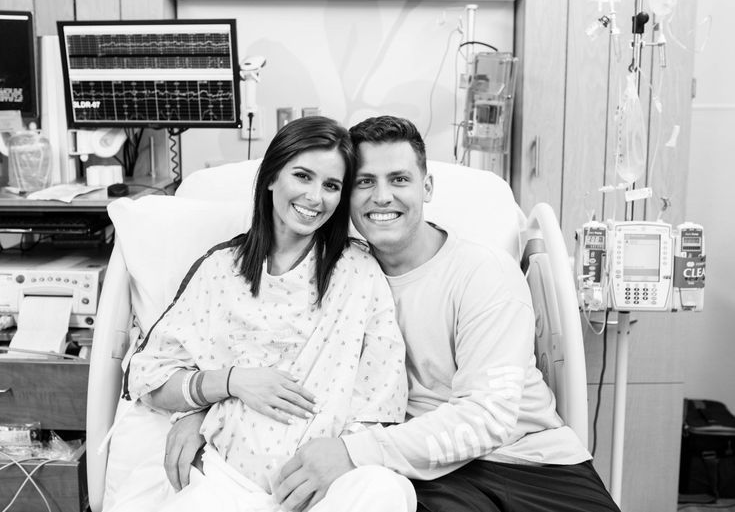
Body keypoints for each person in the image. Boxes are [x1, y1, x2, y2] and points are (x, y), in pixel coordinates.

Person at [166, 115, 621, 512]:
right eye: (365, 182)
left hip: (529, 460)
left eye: (399, 179)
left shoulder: (482, 273)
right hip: (427, 475)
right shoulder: (334, 275)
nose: (381, 196)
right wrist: (200, 402)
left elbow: (487, 417)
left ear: (426, 186)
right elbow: (266, 355)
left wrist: (353, 452)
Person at [113, 116, 413, 512]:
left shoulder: (356, 272)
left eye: (331, 186)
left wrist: (337, 458)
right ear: (271, 176)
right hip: (223, 478)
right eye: (302, 176)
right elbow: (150, 379)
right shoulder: (220, 270)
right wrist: (232, 382)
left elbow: (381, 399)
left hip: (323, 488)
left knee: (387, 492)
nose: (315, 197)